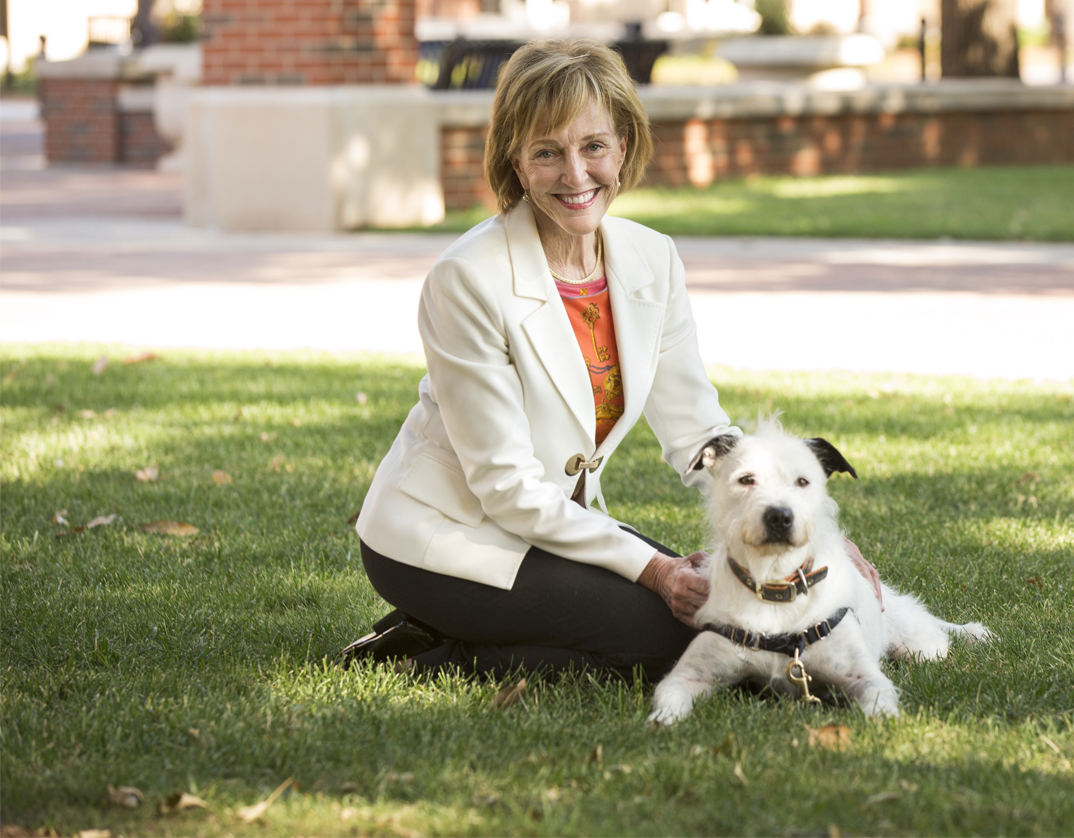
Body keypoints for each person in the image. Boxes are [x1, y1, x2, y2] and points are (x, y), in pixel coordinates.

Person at [346, 39, 879, 682]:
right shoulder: (466, 278)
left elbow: (699, 432)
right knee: (672, 647)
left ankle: (461, 632)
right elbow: (507, 487)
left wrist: (808, 531)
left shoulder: (651, 259)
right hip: (443, 537)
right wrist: (654, 571)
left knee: (718, 618)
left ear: (622, 146)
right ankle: (432, 648)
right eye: (547, 152)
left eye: (593, 146)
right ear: (515, 161)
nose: (576, 175)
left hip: (553, 527)